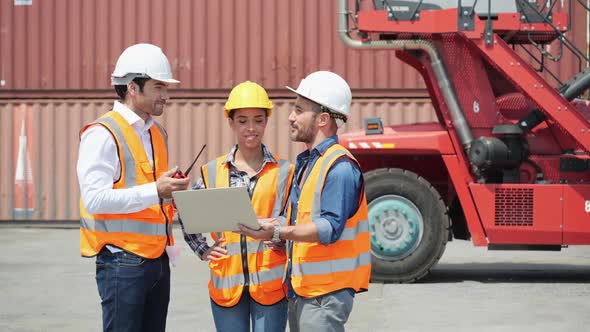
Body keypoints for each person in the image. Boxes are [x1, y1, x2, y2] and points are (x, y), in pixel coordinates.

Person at [237, 71, 371, 332]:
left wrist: (277, 230)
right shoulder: (308, 162)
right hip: (302, 288)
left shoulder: (340, 168)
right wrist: (270, 227)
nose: (290, 117)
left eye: (298, 110)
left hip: (326, 293)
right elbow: (299, 220)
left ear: (322, 119)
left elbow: (329, 229)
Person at [77, 43, 190, 332]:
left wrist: (172, 188)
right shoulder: (102, 134)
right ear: (132, 88)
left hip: (157, 260)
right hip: (121, 263)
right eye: (158, 86)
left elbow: (150, 190)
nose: (166, 95)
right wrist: (157, 189)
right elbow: (94, 199)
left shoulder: (157, 132)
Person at [179, 81, 295, 332]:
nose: (251, 128)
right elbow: (188, 215)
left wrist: (278, 234)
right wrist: (203, 250)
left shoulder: (285, 172)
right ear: (231, 122)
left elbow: (295, 220)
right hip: (226, 283)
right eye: (242, 121)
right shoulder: (211, 171)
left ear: (267, 121)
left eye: (258, 120)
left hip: (270, 284)